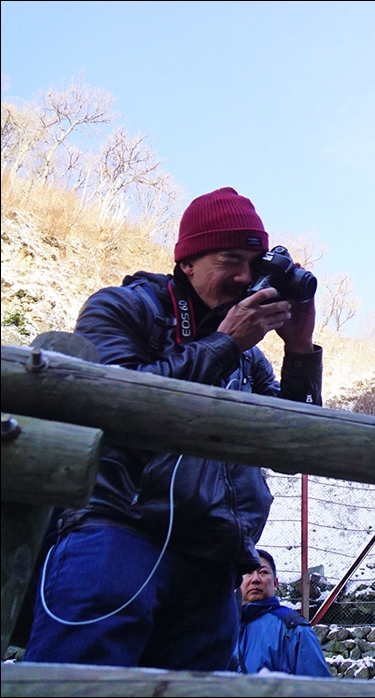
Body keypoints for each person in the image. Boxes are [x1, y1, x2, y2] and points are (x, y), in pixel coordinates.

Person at [23, 187, 322, 670]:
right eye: (229, 260)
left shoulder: (249, 353)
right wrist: (222, 344)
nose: (244, 277)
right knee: (78, 683)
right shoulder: (122, 307)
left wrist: (302, 350)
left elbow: (297, 450)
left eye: (252, 262)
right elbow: (114, 401)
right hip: (117, 532)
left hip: (214, 558)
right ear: (187, 261)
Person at [235, 549, 331, 677]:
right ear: (236, 581)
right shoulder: (221, 629)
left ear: (275, 584)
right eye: (248, 572)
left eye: (263, 572)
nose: (255, 579)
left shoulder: (293, 628)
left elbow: (317, 687)